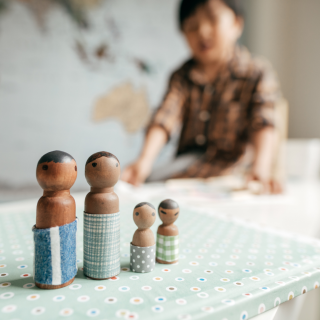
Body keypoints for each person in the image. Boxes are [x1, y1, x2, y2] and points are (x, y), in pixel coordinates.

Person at [122, 0, 283, 194]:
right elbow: (164, 118)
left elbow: (263, 122)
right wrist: (144, 161)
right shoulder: (181, 76)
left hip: (235, 171)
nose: (202, 32)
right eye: (192, 26)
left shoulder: (256, 73)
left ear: (237, 24)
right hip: (188, 169)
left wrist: (261, 167)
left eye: (213, 20)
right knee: (145, 184)